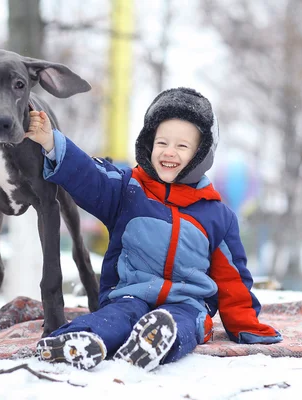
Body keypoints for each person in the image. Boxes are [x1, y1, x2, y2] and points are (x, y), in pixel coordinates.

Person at [25, 87, 282, 371]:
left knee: (182, 322)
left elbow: (233, 279)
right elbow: (89, 176)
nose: (169, 152)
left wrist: (245, 325)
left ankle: (157, 341)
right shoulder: (127, 190)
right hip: (130, 292)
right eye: (162, 143)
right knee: (117, 316)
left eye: (182, 146)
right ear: (149, 144)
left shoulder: (217, 215)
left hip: (187, 303)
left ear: (201, 154)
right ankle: (79, 341)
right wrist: (51, 142)